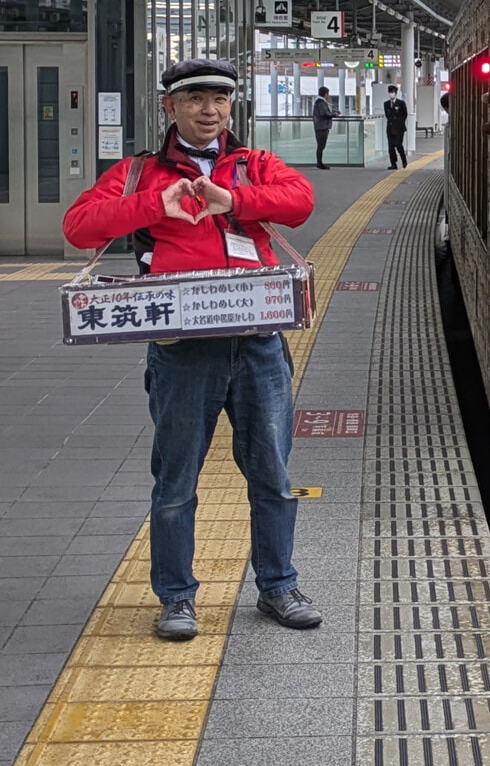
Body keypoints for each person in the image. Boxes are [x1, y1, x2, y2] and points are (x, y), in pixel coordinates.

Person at [63, 57, 321, 643]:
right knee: (176, 481)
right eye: (196, 99)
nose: (209, 110)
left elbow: (300, 202)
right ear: (170, 107)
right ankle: (176, 597)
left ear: (231, 107)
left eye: (220, 100)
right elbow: (80, 227)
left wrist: (234, 201)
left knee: (274, 475)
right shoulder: (138, 173)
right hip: (182, 351)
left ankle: (278, 585)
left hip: (257, 344)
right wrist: (157, 205)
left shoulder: (253, 165)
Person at [384, 83, 408, 169]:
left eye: (393, 92)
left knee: (398, 145)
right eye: (390, 92)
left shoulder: (401, 103)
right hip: (390, 128)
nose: (391, 93)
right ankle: (393, 164)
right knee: (390, 147)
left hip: (399, 128)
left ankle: (403, 159)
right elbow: (387, 115)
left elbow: (405, 114)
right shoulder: (386, 104)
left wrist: (399, 122)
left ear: (396, 93)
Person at [312, 85, 334, 169]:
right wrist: (334, 114)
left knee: (321, 145)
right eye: (328, 94)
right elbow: (324, 114)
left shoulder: (318, 102)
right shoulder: (321, 103)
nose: (328, 95)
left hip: (320, 126)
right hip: (322, 127)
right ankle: (319, 163)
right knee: (321, 146)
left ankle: (319, 163)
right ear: (325, 94)